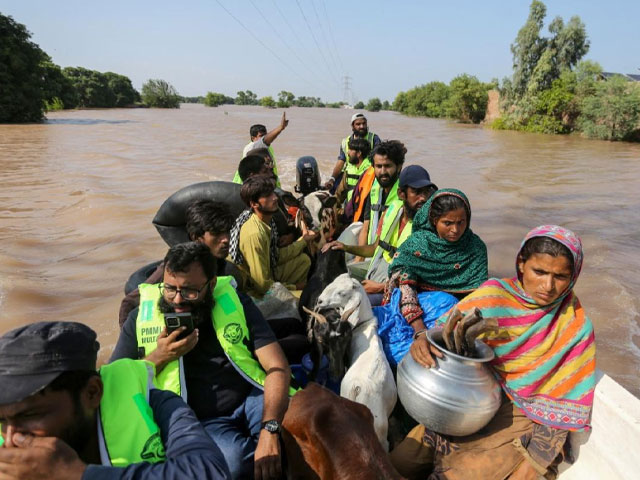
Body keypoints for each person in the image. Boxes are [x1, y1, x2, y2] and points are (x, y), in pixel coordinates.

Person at [391, 225, 596, 480]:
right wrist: (422, 341)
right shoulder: (495, 295)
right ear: (521, 264)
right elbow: (444, 333)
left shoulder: (575, 327)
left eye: (560, 276)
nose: (548, 285)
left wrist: (532, 465)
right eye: (539, 272)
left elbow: (562, 409)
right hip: (471, 399)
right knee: (398, 464)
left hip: (523, 415)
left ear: (573, 276)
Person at [111, 242, 294, 479]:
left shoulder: (235, 303)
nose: (177, 300)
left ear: (212, 284)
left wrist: (270, 429)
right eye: (170, 289)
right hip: (202, 420)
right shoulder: (139, 319)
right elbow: (114, 384)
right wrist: (160, 356)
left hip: (252, 397)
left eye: (189, 291)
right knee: (233, 464)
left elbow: (277, 366)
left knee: (294, 431)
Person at [0, 321, 230, 479]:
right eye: (2, 421)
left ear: (92, 393)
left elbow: (211, 472)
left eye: (30, 414)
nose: (11, 439)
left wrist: (77, 475)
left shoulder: (153, 404)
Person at [323, 165, 437, 306]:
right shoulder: (390, 211)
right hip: (377, 269)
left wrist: (380, 287)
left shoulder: (430, 226)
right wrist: (345, 247)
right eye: (417, 192)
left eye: (426, 192)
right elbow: (375, 248)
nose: (423, 198)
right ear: (401, 194)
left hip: (397, 287)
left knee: (358, 302)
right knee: (334, 277)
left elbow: (424, 277)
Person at [118, 199, 236, 326]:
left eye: (228, 232)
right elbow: (129, 302)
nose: (226, 239)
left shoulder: (225, 268)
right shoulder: (175, 269)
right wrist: (128, 336)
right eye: (216, 233)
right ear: (196, 237)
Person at [384, 188, 488, 325]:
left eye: (461, 222)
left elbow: (478, 296)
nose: (455, 230)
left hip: (460, 314)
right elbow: (405, 290)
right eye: (448, 223)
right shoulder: (416, 245)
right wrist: (418, 328)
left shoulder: (475, 247)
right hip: (415, 313)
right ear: (434, 220)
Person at [230, 175, 314, 298]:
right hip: (254, 291)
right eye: (267, 196)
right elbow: (262, 285)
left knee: (304, 261)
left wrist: (303, 241)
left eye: (273, 193)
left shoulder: (266, 220)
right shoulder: (255, 234)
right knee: (305, 296)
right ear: (254, 204)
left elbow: (275, 256)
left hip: (269, 271)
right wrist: (295, 287)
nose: (275, 198)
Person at [356, 140, 406, 252]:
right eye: (378, 166)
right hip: (372, 253)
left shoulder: (406, 194)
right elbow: (366, 227)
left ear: (399, 167)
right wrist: (359, 258)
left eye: (387, 166)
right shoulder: (374, 191)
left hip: (392, 256)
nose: (383, 171)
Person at [325, 112, 381, 191]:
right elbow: (341, 160)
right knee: (333, 190)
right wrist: (332, 179)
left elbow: (380, 159)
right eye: (358, 124)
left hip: (367, 173)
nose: (362, 126)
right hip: (349, 173)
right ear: (352, 126)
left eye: (364, 123)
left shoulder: (374, 139)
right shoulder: (345, 141)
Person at [232, 113, 288, 186]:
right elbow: (264, 141)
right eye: (261, 136)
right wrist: (280, 128)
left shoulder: (268, 147)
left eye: (265, 135)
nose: (264, 137)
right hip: (246, 185)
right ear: (253, 138)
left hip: (267, 183)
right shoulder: (251, 148)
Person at [334, 136, 373, 206]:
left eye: (350, 150)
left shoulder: (371, 170)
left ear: (359, 153)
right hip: (350, 209)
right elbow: (339, 195)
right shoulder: (349, 169)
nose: (348, 153)